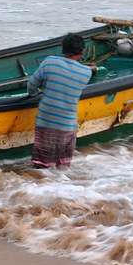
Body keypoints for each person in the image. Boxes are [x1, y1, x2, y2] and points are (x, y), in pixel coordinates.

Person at [26, 33, 93, 169]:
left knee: (42, 166)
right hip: (67, 124)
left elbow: (31, 85)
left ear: (63, 49)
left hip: (46, 121)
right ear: (82, 51)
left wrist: (34, 94)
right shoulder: (86, 72)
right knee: (62, 167)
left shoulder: (49, 62)